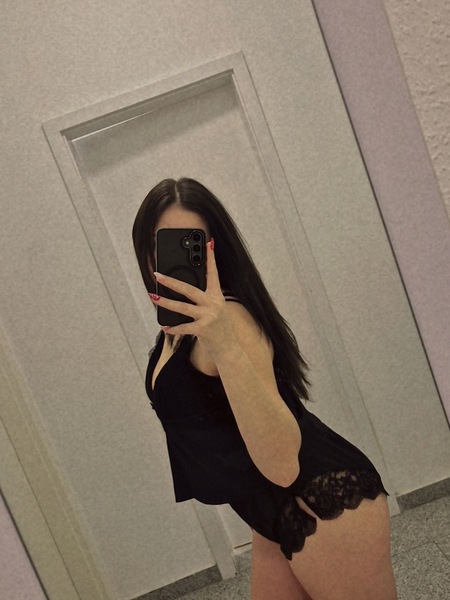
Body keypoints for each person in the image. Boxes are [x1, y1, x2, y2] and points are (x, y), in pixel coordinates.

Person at [132, 178, 397, 600]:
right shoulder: (176, 330)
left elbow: (283, 465)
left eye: (190, 242)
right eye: (159, 242)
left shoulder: (230, 322)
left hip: (320, 498)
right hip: (265, 508)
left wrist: (223, 342)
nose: (171, 258)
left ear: (212, 249)